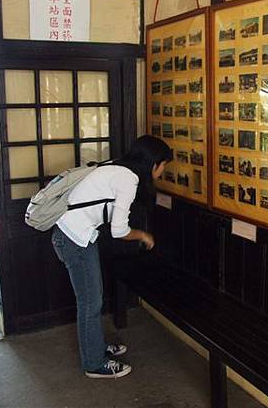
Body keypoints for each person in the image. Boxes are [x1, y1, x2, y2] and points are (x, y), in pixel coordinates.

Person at [51, 135, 173, 379]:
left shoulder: (117, 165)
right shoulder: (128, 180)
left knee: (91, 301)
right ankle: (94, 363)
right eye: (164, 166)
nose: (163, 172)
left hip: (75, 234)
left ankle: (93, 347)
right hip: (73, 239)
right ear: (153, 164)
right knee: (90, 303)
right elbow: (119, 231)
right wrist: (143, 236)